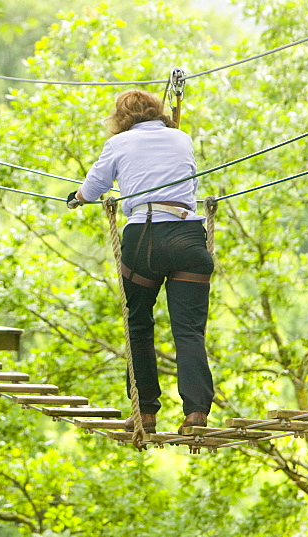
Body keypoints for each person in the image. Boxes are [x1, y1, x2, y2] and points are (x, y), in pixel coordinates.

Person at [66, 90, 213, 434]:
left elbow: (93, 188)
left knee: (139, 324)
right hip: (188, 236)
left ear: (121, 119)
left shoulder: (118, 145)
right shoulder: (181, 137)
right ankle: (195, 413)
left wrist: (76, 199)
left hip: (145, 237)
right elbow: (189, 183)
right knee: (189, 331)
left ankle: (145, 411)